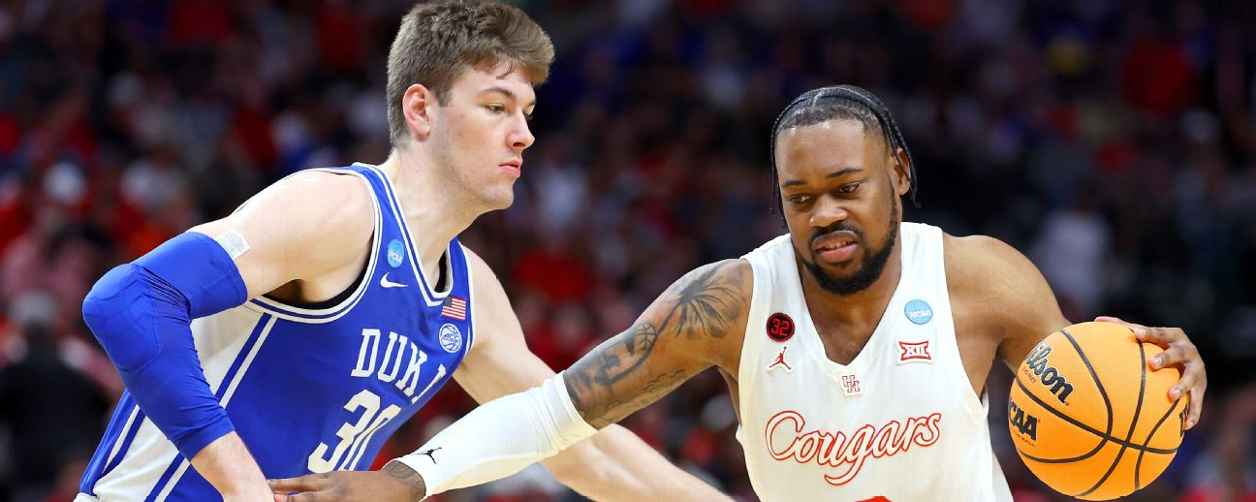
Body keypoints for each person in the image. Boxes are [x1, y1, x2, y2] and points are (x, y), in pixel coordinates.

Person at [273, 85, 1210, 501]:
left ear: (898, 173)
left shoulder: (982, 278)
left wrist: (1166, 380)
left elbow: (1087, 403)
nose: (825, 214)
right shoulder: (728, 303)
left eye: (847, 188)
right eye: (800, 197)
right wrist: (409, 478)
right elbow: (555, 411)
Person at [74, 2, 728, 501]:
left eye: (527, 113)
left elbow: (582, 449)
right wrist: (242, 485)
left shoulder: (472, 296)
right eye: (497, 106)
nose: (523, 135)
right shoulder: (338, 209)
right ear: (421, 110)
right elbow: (128, 299)